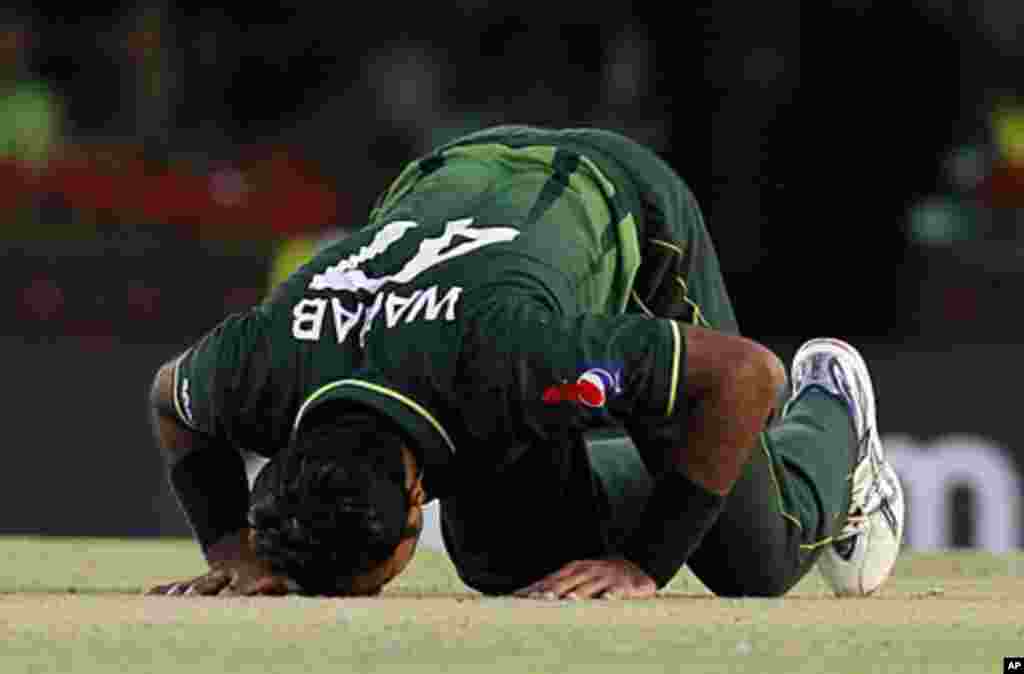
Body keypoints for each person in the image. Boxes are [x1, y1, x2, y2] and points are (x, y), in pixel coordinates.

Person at [148, 125, 903, 599]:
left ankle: (833, 417)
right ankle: (642, 457)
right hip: (444, 180)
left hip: (615, 199)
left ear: (418, 499)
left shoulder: (517, 360)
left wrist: (644, 563)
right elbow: (167, 397)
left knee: (750, 564)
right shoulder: (259, 369)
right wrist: (233, 552)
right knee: (504, 561)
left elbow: (743, 375)